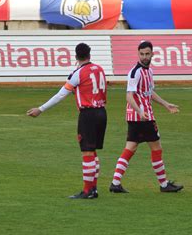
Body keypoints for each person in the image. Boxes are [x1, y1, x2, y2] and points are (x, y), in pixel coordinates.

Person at [27, 43, 107, 200]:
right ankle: (94, 188)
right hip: (102, 113)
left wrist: (40, 109)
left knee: (87, 151)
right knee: (93, 152)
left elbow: (60, 95)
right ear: (89, 55)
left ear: (76, 56)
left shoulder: (78, 73)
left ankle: (87, 191)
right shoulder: (100, 69)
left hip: (88, 114)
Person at [109, 41, 183, 194]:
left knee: (131, 147)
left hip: (136, 117)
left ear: (152, 54)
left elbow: (149, 92)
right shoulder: (135, 72)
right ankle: (164, 185)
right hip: (143, 117)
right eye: (141, 54)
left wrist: (165, 104)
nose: (144, 57)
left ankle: (115, 183)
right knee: (156, 148)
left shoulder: (148, 71)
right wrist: (140, 111)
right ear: (138, 54)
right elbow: (129, 96)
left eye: (147, 54)